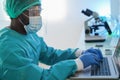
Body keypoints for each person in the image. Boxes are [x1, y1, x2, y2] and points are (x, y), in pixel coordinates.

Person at [0, 0, 103, 80]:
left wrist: (78, 53)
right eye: (33, 13)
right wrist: (78, 63)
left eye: (39, 12)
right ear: (18, 13)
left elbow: (50, 55)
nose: (38, 17)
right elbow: (42, 77)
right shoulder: (8, 48)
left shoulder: (29, 33)